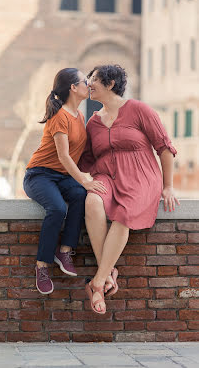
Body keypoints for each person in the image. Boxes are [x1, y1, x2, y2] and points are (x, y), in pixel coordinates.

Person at [78, 64, 180, 315]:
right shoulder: (93, 122)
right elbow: (87, 160)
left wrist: (168, 186)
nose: (88, 84)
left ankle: (98, 282)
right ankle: (108, 273)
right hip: (107, 176)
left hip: (141, 176)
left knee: (124, 214)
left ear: (110, 84)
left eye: (93, 79)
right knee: (92, 202)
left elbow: (164, 148)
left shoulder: (138, 109)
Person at [23, 68, 107, 295]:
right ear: (73, 87)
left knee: (80, 196)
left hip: (62, 177)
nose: (88, 84)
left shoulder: (79, 116)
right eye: (84, 81)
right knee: (58, 208)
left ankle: (65, 250)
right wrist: (84, 180)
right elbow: (64, 156)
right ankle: (42, 267)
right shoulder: (59, 116)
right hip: (39, 175)